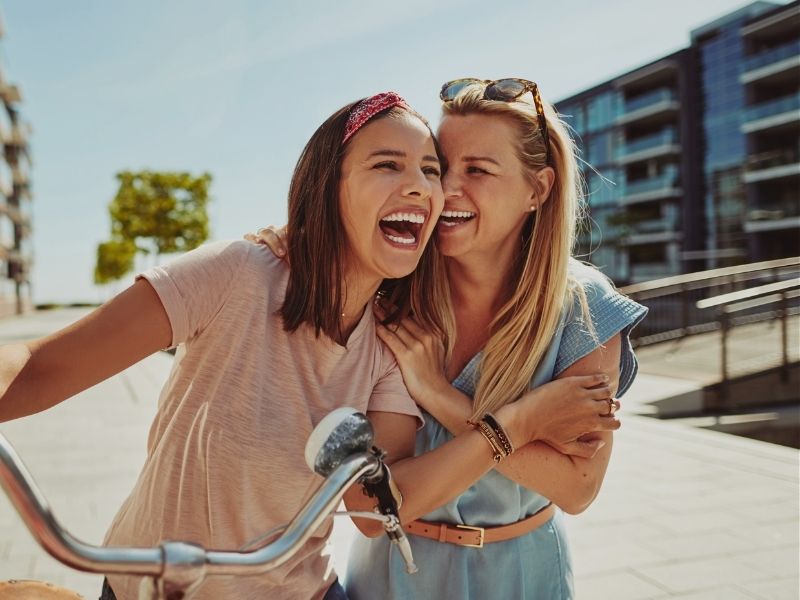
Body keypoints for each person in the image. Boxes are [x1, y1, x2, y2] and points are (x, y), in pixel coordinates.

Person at [0, 91, 450, 600]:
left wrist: (508, 430)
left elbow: (373, 510)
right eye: (388, 164)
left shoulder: (394, 342)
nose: (418, 186)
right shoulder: (239, 273)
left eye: (431, 170)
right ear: (329, 187)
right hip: (157, 585)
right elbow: (37, 365)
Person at [253, 78, 647, 599]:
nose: (446, 190)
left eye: (478, 170)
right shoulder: (391, 292)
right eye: (442, 166)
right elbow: (375, 508)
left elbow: (577, 488)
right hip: (392, 574)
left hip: (525, 578)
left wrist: (441, 395)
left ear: (539, 189)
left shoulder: (586, 309)